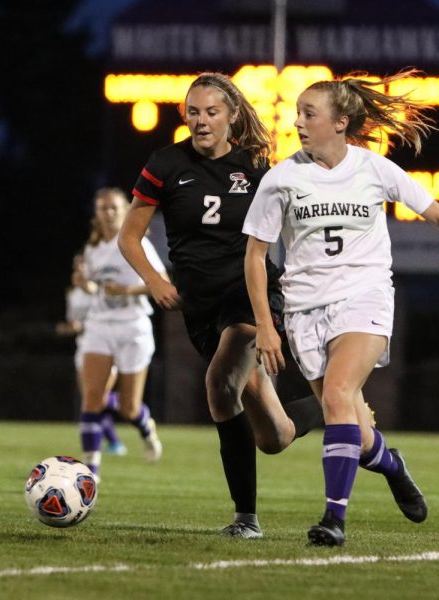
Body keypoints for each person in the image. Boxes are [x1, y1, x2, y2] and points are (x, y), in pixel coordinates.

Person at [243, 69, 439, 546]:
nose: (297, 121)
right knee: (354, 434)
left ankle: (333, 519)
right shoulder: (281, 179)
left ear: (340, 122)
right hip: (303, 310)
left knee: (338, 393)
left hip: (366, 299)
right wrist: (265, 324)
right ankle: (392, 466)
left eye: (308, 114)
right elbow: (255, 257)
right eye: (297, 113)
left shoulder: (374, 169)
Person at [120, 72, 324, 539]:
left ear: (232, 114)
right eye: (193, 112)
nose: (201, 120)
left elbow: (289, 230)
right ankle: (333, 406)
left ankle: (246, 520)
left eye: (211, 111)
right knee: (275, 436)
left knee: (217, 384)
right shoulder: (166, 163)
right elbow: (129, 237)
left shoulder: (257, 165)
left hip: (249, 297)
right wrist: (154, 280)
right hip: (200, 307)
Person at [78, 187, 166, 480]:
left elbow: (162, 281)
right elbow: (96, 290)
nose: (109, 213)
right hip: (100, 325)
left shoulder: (134, 242)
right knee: (93, 398)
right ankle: (90, 472)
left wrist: (128, 290)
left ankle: (144, 426)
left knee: (129, 407)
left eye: (114, 207)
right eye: (103, 208)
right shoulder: (92, 249)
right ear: (96, 213)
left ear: (126, 210)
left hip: (133, 325)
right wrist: (84, 284)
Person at [57, 252, 127, 456]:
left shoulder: (100, 289)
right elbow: (74, 322)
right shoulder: (72, 293)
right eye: (76, 267)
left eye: (83, 267)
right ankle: (114, 443)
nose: (79, 270)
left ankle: (131, 406)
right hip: (84, 348)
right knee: (90, 400)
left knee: (100, 397)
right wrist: (69, 328)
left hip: (105, 346)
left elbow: (110, 313)